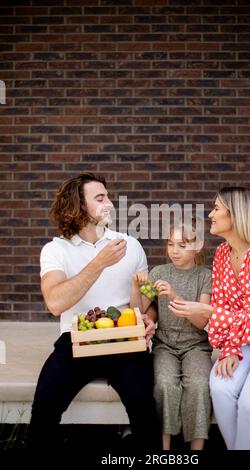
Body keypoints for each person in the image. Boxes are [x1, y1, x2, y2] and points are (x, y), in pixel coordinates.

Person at [27, 172, 161, 452]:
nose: (110, 203)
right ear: (77, 205)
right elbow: (54, 303)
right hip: (77, 341)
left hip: (126, 340)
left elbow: (146, 297)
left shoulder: (130, 244)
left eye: (108, 196)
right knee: (44, 408)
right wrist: (98, 263)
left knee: (145, 410)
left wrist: (150, 318)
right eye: (100, 198)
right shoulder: (56, 249)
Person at [171, 186, 250, 450]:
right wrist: (230, 349)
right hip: (243, 340)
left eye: (217, 208)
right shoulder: (222, 254)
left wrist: (206, 312)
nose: (210, 214)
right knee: (220, 388)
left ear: (236, 215)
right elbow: (224, 304)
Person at [131, 219, 213, 451]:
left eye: (182, 245)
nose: (174, 251)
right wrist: (135, 287)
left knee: (198, 383)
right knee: (165, 384)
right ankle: (163, 448)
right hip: (164, 345)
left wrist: (175, 296)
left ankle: (196, 449)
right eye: (170, 244)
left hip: (196, 346)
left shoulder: (205, 277)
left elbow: (203, 322)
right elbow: (139, 311)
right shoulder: (159, 272)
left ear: (196, 247)